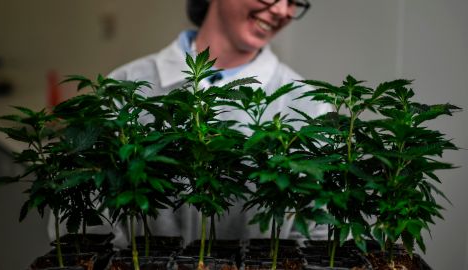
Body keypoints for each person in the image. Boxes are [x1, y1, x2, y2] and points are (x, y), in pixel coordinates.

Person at [49, 0, 331, 248]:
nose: (282, 10)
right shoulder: (126, 85)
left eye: (294, 1)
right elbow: (80, 213)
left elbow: (319, 232)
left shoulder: (307, 103)